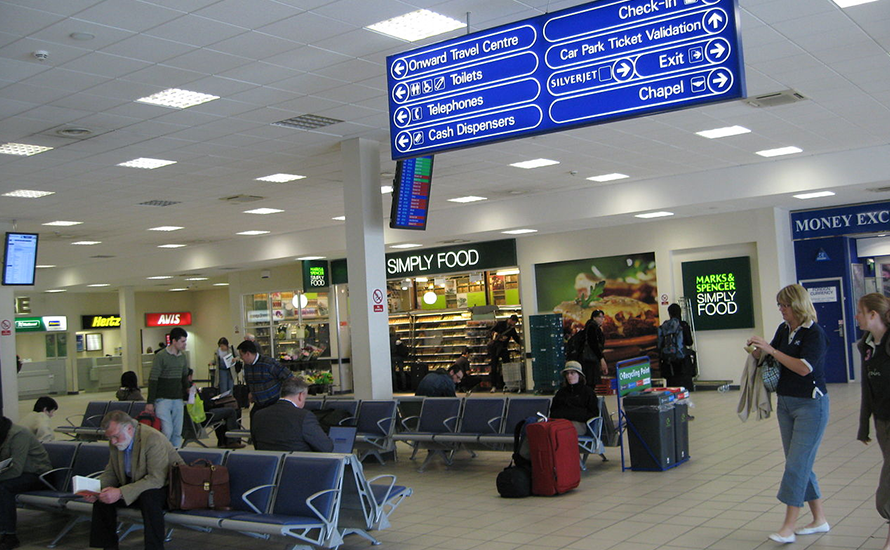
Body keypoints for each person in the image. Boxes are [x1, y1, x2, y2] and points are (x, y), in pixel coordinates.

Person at [747, 283, 829, 544]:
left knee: (796, 465)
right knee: (800, 463)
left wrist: (772, 351)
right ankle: (819, 519)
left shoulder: (814, 333)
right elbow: (772, 354)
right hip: (786, 403)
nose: (781, 310)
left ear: (797, 305)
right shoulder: (785, 330)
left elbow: (804, 368)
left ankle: (788, 526)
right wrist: (758, 349)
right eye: (779, 305)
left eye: (785, 305)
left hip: (811, 405)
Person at [84, 410, 183, 550]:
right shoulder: (116, 440)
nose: (113, 442)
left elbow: (157, 479)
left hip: (167, 487)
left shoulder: (152, 438)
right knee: (103, 498)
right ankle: (107, 547)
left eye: (116, 437)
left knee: (149, 498)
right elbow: (111, 472)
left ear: (129, 429)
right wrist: (95, 490)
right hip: (137, 483)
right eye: (110, 438)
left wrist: (120, 492)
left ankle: (154, 547)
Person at [856, 293, 890, 550]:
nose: (856, 316)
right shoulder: (866, 347)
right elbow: (867, 390)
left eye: (860, 311)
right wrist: (863, 425)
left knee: (885, 494)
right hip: (882, 421)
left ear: (873, 315)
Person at [0, 415, 52, 550]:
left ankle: (10, 535)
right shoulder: (3, 434)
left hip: (38, 475)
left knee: (4, 488)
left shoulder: (18, 435)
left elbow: (16, 469)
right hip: (18, 474)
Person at [251, 377, 333, 452]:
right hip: (300, 465)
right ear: (300, 396)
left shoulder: (259, 415)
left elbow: (257, 446)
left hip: (268, 465)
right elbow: (326, 447)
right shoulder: (304, 417)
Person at [145, 327, 190, 447]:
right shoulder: (161, 356)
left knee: (177, 432)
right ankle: (162, 454)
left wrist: (188, 390)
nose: (184, 344)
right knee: (167, 431)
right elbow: (153, 378)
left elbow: (184, 376)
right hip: (162, 399)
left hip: (177, 398)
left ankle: (175, 457)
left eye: (185, 341)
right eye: (182, 341)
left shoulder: (182, 357)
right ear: (174, 341)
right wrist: (150, 402)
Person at [185, 370, 244, 449]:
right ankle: (232, 440)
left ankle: (222, 441)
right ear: (189, 376)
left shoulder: (182, 390)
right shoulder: (191, 389)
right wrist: (213, 403)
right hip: (203, 416)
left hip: (198, 416)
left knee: (221, 410)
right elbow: (203, 405)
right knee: (231, 411)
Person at [237, 339, 292, 421]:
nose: (241, 358)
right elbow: (249, 382)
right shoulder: (247, 366)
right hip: (259, 404)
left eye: (242, 355)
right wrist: (250, 393)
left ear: (248, 354)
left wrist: (285, 396)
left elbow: (288, 376)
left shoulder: (269, 363)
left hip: (273, 403)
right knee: (254, 418)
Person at [550, 362, 599, 437]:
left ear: (579, 375)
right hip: (560, 423)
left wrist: (570, 414)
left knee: (558, 432)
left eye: (572, 373)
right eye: (567, 374)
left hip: (578, 424)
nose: (569, 376)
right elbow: (553, 412)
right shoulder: (561, 392)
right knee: (546, 431)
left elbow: (593, 413)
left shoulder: (588, 392)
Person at [658, 304, 694, 388]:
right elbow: (689, 342)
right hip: (683, 362)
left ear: (669, 313)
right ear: (680, 312)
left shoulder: (664, 326)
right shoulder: (683, 325)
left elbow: (660, 345)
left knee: (672, 387)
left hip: (669, 362)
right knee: (685, 388)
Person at [487, 314, 522, 392]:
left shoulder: (511, 329)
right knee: (494, 367)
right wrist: (497, 336)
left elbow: (516, 338)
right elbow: (490, 331)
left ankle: (507, 384)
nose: (514, 325)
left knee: (507, 366)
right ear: (511, 320)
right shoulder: (500, 324)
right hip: (495, 348)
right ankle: (494, 385)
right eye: (514, 323)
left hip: (503, 349)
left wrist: (523, 344)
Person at [581, 310, 609, 388]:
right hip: (590, 360)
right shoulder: (591, 327)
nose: (602, 319)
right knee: (590, 383)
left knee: (590, 384)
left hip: (591, 359)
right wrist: (601, 358)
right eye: (599, 317)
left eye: (603, 317)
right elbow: (594, 344)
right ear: (594, 318)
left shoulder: (595, 327)